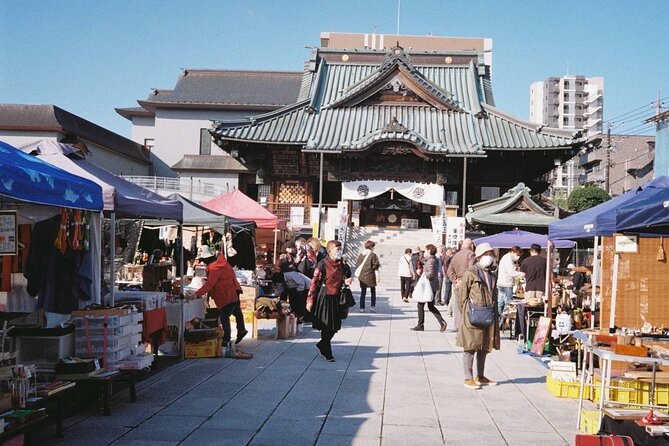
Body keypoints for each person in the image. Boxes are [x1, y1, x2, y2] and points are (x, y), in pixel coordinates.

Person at [457, 242, 500, 389]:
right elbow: (462, 297)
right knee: (470, 347)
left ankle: (480, 375)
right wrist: (466, 312)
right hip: (473, 315)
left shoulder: (492, 274)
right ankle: (468, 377)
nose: (489, 257)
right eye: (486, 254)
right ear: (480, 256)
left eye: (491, 255)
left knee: (484, 347)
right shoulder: (471, 273)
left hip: (488, 314)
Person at [306, 240, 352, 362]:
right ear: (330, 250)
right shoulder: (322, 264)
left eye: (340, 250)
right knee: (327, 325)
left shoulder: (342, 264)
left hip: (338, 297)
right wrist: (310, 300)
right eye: (337, 250)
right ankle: (326, 350)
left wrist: (347, 281)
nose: (339, 252)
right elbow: (314, 283)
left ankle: (322, 344)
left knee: (335, 326)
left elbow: (347, 277)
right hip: (325, 296)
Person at [194, 250, 249, 347]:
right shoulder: (223, 262)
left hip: (225, 295)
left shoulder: (215, 268)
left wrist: (198, 293)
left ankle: (226, 339)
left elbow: (210, 284)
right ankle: (241, 329)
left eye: (203, 260)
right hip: (233, 291)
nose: (203, 262)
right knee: (237, 311)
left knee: (224, 317)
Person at [410, 244, 448, 332]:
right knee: (430, 306)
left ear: (429, 251)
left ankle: (421, 325)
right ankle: (442, 322)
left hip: (429, 286)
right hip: (432, 285)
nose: (425, 252)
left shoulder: (431, 261)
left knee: (420, 305)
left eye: (426, 251)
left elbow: (430, 273)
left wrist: (421, 272)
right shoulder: (432, 259)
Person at [447, 238, 476, 325]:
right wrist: (463, 281)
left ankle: (457, 328)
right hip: (467, 285)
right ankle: (464, 330)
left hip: (457, 285)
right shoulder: (471, 254)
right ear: (471, 246)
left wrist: (455, 280)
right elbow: (471, 270)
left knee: (457, 308)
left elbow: (449, 271)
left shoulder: (456, 255)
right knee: (466, 308)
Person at [496, 246, 524, 319]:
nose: (517, 257)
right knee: (509, 305)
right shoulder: (508, 259)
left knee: (501, 304)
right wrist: (521, 274)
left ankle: (499, 320)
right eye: (517, 255)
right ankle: (504, 319)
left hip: (501, 283)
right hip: (506, 284)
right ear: (513, 252)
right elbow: (511, 272)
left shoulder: (506, 258)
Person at [356, 240, 380, 313]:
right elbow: (375, 266)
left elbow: (357, 264)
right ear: (371, 247)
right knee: (373, 291)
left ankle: (362, 307)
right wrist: (378, 276)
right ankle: (372, 306)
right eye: (373, 247)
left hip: (362, 275)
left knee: (363, 292)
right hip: (370, 275)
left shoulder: (361, 254)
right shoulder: (373, 255)